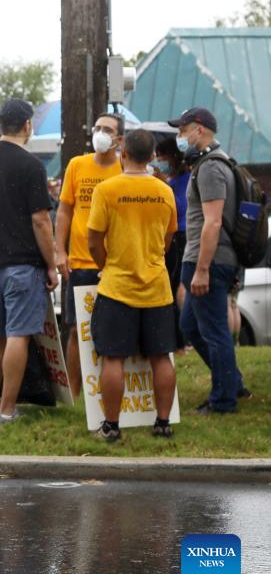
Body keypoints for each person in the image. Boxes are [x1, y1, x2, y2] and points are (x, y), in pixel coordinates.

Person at [86, 129, 178, 441]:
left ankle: (112, 426)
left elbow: (94, 241)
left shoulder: (106, 190)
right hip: (157, 287)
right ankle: (163, 422)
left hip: (117, 287)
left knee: (113, 358)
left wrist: (106, 266)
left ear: (123, 155)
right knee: (161, 356)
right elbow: (168, 239)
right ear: (152, 157)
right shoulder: (164, 191)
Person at [0, 99, 58, 426]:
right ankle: (8, 411)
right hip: (22, 262)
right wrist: (51, 264)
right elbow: (41, 220)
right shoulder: (31, 165)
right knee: (18, 335)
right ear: (27, 125)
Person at [170, 107, 249, 414]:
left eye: (182, 130)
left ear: (199, 130)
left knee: (214, 332)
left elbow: (213, 222)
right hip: (204, 259)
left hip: (210, 261)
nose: (180, 136)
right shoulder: (210, 163)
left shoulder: (211, 167)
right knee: (190, 325)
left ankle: (223, 400)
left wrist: (202, 269)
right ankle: (232, 382)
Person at [55, 113, 123, 398]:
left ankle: (111, 394)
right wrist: (60, 250)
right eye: (97, 127)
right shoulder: (77, 165)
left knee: (115, 331)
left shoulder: (124, 169)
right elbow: (64, 210)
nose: (100, 133)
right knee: (75, 330)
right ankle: (74, 391)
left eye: (107, 129)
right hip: (80, 263)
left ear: (119, 139)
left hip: (115, 265)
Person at [153, 136, 188, 349]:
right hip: (172, 234)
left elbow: (179, 207)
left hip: (181, 236)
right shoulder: (173, 180)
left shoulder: (185, 179)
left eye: (161, 157)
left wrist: (162, 185)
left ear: (172, 157)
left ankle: (180, 341)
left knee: (174, 288)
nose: (158, 161)